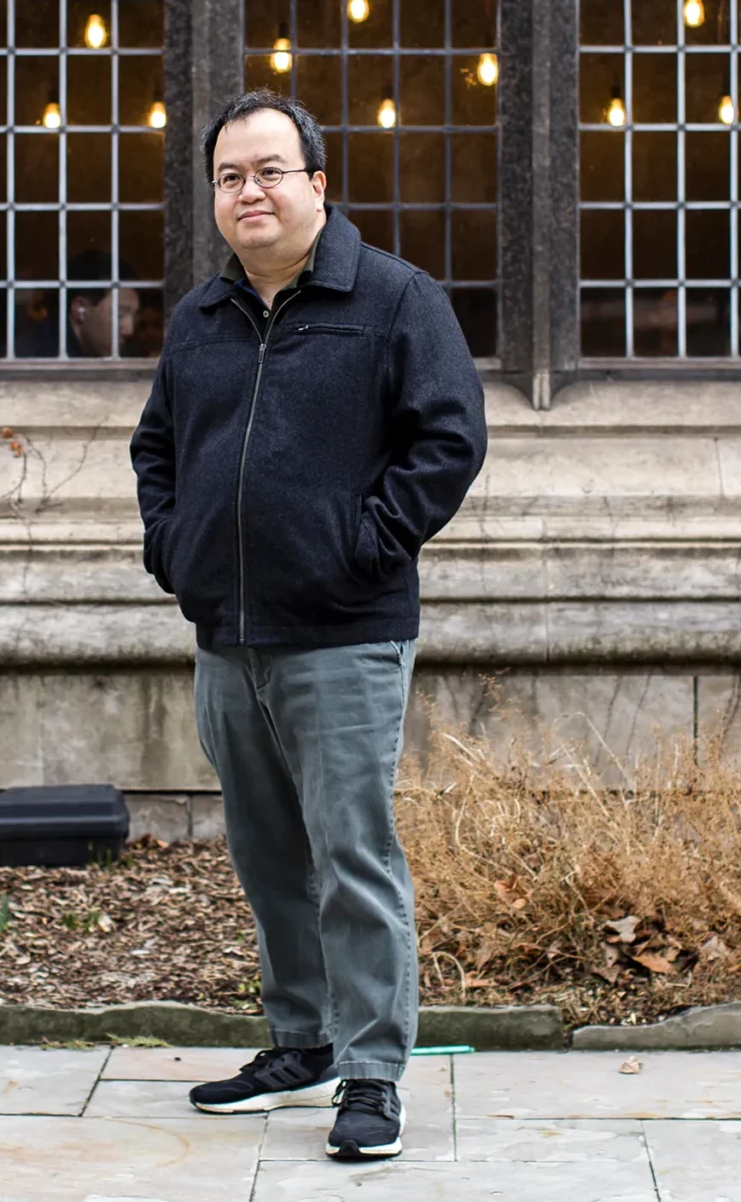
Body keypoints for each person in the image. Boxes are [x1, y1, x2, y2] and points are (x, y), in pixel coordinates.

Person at [128, 88, 486, 1163]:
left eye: (271, 170)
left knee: (351, 854)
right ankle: (303, 1041)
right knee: (269, 852)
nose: (251, 191)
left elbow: (447, 442)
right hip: (228, 637)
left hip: (344, 637)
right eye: (231, 176)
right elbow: (157, 454)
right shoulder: (201, 319)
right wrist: (174, 550)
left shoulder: (393, 301)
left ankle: (372, 1073)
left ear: (318, 185)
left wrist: (359, 552)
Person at [14, 250, 143, 357]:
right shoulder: (36, 359)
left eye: (135, 316)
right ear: (80, 309)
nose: (129, 330)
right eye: (120, 314)